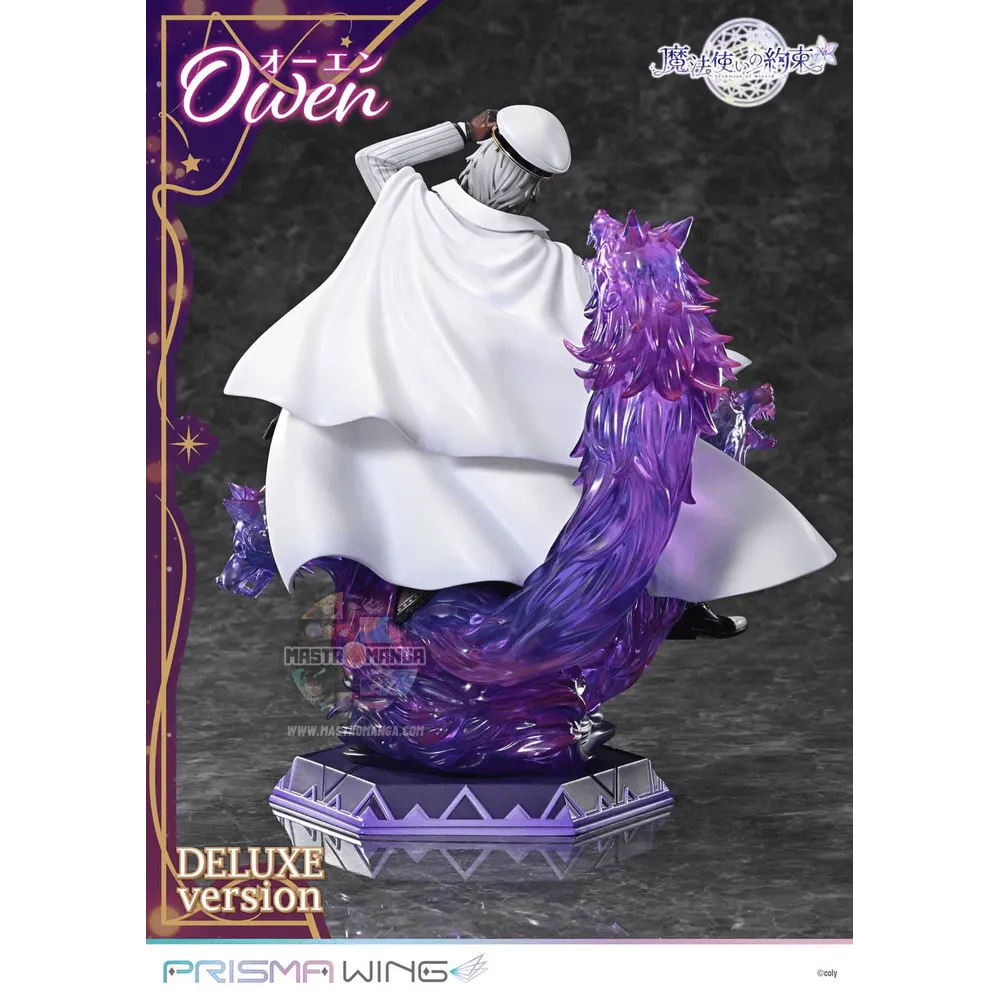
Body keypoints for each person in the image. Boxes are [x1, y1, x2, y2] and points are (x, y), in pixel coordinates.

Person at [229, 107, 834, 639]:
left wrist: (460, 129)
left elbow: (375, 158)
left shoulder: (416, 210)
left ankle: (647, 600)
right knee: (489, 504)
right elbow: (618, 320)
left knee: (511, 508)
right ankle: (650, 597)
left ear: (486, 154)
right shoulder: (534, 256)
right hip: (430, 418)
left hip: (442, 422)